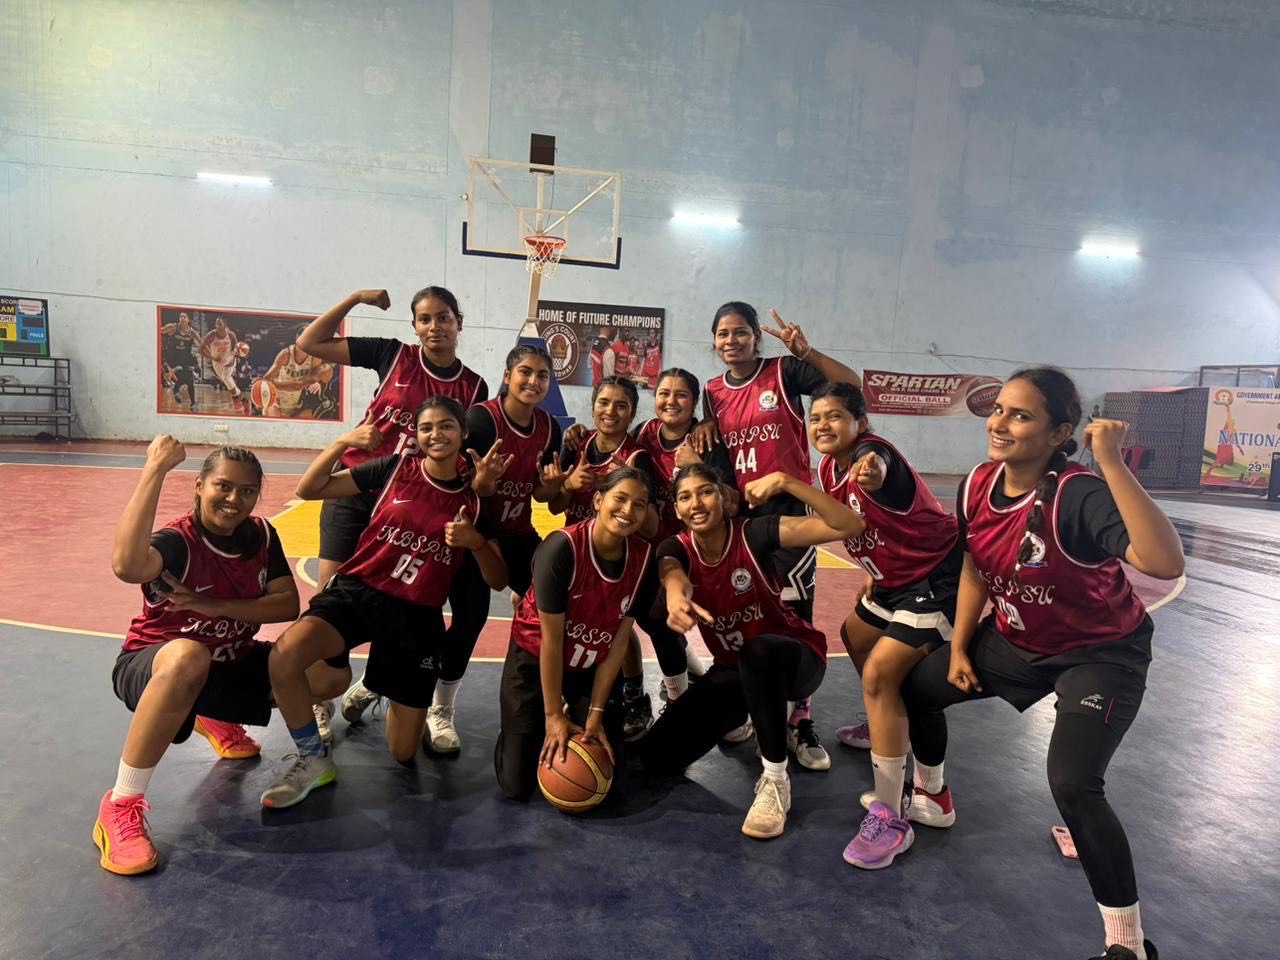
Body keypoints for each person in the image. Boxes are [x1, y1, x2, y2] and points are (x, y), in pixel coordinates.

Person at [899, 367, 1183, 960]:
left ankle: (1127, 944)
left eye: (1021, 415)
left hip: (1099, 653)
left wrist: (1113, 462)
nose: (1000, 423)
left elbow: (1163, 562)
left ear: (1059, 434)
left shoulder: (1077, 494)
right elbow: (976, 565)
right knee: (919, 686)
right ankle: (932, 794)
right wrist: (959, 646)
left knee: (1073, 783)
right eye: (999, 409)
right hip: (1018, 641)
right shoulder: (978, 484)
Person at [260, 397, 508, 808]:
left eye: (446, 426)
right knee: (284, 656)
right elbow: (310, 489)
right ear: (417, 435)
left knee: (403, 752)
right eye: (426, 427)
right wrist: (343, 442)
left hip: (416, 614)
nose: (436, 434)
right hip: (359, 592)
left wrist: (476, 543)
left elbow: (497, 579)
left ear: (463, 433)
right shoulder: (394, 469)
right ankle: (312, 757)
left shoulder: (476, 501)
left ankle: (380, 682)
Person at [94, 437, 303, 875]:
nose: (234, 499)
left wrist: (215, 606)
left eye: (247, 490)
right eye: (223, 486)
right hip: (154, 663)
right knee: (190, 657)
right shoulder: (177, 542)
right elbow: (126, 566)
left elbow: (287, 604)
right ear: (199, 485)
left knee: (321, 675)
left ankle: (213, 716)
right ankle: (121, 804)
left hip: (228, 660)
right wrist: (155, 468)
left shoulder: (262, 534)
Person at [296, 287, 488, 744]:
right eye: (425, 319)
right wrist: (354, 299)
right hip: (359, 489)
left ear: (459, 322)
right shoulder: (392, 355)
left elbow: (473, 454)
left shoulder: (474, 387)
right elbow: (309, 343)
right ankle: (320, 700)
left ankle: (383, 681)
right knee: (331, 596)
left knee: (406, 599)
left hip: (416, 501)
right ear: (414, 326)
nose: (435, 327)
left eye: (444, 317)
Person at [639, 463, 863, 839]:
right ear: (676, 509)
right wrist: (676, 595)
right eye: (685, 497)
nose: (696, 503)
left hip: (796, 659)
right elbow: (671, 571)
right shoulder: (675, 548)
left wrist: (787, 481)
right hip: (735, 671)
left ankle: (775, 779)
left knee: (757, 652)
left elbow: (849, 525)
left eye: (705, 492)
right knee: (656, 757)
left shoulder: (754, 532)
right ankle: (744, 719)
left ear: (725, 499)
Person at [693, 302, 862, 770]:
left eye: (740, 332)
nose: (731, 341)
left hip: (789, 512)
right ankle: (757, 706)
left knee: (796, 616)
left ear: (756, 336)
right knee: (751, 612)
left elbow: (851, 387)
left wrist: (808, 352)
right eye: (723, 334)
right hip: (743, 519)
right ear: (714, 340)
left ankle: (800, 718)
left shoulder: (784, 372)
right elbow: (717, 452)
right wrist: (706, 424)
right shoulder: (712, 392)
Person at [804, 381, 961, 869]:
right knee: (854, 634)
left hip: (936, 577)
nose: (822, 425)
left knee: (880, 675)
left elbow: (877, 469)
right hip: (894, 579)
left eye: (834, 416)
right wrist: (875, 570)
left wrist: (872, 470)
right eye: (815, 417)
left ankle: (892, 817)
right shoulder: (828, 466)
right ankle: (885, 725)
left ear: (862, 422)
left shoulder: (871, 456)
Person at [494, 468, 655, 802]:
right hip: (536, 657)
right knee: (516, 786)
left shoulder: (643, 560)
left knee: (610, 772)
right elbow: (552, 642)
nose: (628, 510)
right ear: (597, 500)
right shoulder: (561, 548)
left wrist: (595, 713)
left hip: (588, 665)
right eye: (620, 498)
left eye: (639, 505)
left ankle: (574, 713)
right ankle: (522, 726)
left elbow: (619, 643)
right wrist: (553, 716)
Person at [549, 375, 661, 739]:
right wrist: (568, 485)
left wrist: (622, 492)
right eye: (604, 402)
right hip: (577, 552)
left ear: (632, 413)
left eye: (621, 405)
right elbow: (555, 505)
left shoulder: (637, 457)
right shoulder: (577, 443)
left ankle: (634, 693)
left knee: (617, 626)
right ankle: (564, 689)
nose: (610, 411)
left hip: (617, 558)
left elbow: (651, 527)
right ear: (593, 404)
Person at [262, 329, 334, 419]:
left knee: (306, 416)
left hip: (297, 404)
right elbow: (267, 379)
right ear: (297, 337)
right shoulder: (286, 354)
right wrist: (271, 389)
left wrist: (317, 382)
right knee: (274, 418)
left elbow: (306, 382)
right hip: (277, 398)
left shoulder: (315, 358)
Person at [159, 312, 200, 412]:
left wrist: (211, 354)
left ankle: (192, 403)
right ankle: (176, 389)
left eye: (184, 316)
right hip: (173, 358)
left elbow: (202, 343)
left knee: (190, 380)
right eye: (180, 316)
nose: (182, 318)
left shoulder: (192, 332)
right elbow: (158, 331)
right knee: (181, 371)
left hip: (185, 359)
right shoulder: (173, 327)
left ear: (188, 320)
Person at [199, 317, 243, 407]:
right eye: (216, 324)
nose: (218, 326)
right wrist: (212, 357)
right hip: (217, 362)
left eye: (220, 324)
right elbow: (200, 350)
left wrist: (236, 355)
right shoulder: (211, 335)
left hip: (229, 359)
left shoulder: (230, 334)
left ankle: (238, 400)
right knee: (227, 382)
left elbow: (236, 348)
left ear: (225, 325)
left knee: (226, 377)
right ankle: (241, 398)